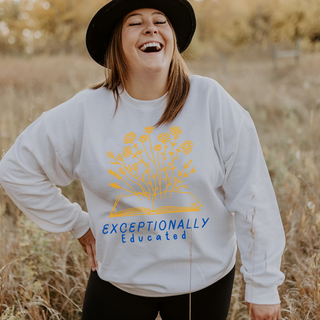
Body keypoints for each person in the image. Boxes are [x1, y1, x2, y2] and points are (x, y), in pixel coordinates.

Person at [0, 0, 285, 319]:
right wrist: (77, 223)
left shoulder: (210, 101)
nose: (150, 27)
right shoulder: (86, 112)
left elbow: (253, 193)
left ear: (172, 39)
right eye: (134, 23)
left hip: (204, 281)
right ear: (116, 46)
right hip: (120, 282)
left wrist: (263, 284)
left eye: (160, 21)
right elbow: (15, 170)